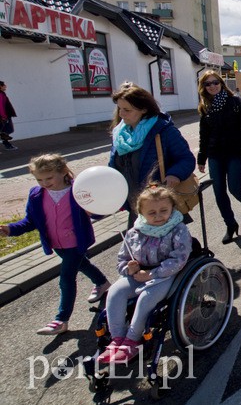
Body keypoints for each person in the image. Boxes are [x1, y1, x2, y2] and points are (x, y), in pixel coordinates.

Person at [0, 154, 110, 335]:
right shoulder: (36, 195)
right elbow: (30, 221)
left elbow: (97, 212)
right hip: (56, 243)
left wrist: (94, 211)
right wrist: (10, 229)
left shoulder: (78, 191)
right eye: (39, 179)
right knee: (82, 264)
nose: (44, 182)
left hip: (75, 242)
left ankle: (61, 320)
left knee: (66, 279)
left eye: (49, 178)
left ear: (63, 172)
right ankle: (102, 283)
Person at [97, 185, 192, 364]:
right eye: (152, 212)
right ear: (141, 212)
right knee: (115, 292)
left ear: (172, 208)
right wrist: (129, 269)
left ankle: (133, 339)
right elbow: (122, 260)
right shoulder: (134, 232)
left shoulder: (178, 229)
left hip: (166, 274)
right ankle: (117, 339)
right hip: (138, 272)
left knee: (146, 298)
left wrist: (151, 274)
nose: (158, 216)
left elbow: (179, 259)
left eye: (164, 210)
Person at [108, 83, 196, 228]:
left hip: (160, 207)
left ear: (143, 109)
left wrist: (174, 174)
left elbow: (185, 158)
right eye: (119, 109)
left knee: (171, 247)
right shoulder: (120, 135)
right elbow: (114, 169)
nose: (121, 114)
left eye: (127, 110)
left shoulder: (164, 131)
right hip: (136, 208)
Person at [196, 70, 241, 244]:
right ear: (203, 87)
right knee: (219, 192)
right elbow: (204, 135)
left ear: (221, 84)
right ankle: (231, 225)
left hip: (235, 153)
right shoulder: (204, 106)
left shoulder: (235, 102)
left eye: (216, 82)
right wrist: (201, 158)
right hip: (215, 155)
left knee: (235, 188)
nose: (213, 86)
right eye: (208, 84)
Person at [0, 80, 18, 150]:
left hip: (5, 116)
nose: (5, 86)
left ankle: (6, 144)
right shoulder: (0, 94)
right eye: (3, 85)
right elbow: (0, 106)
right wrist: (3, 116)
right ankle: (7, 144)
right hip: (3, 117)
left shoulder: (2, 94)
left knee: (7, 130)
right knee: (7, 130)